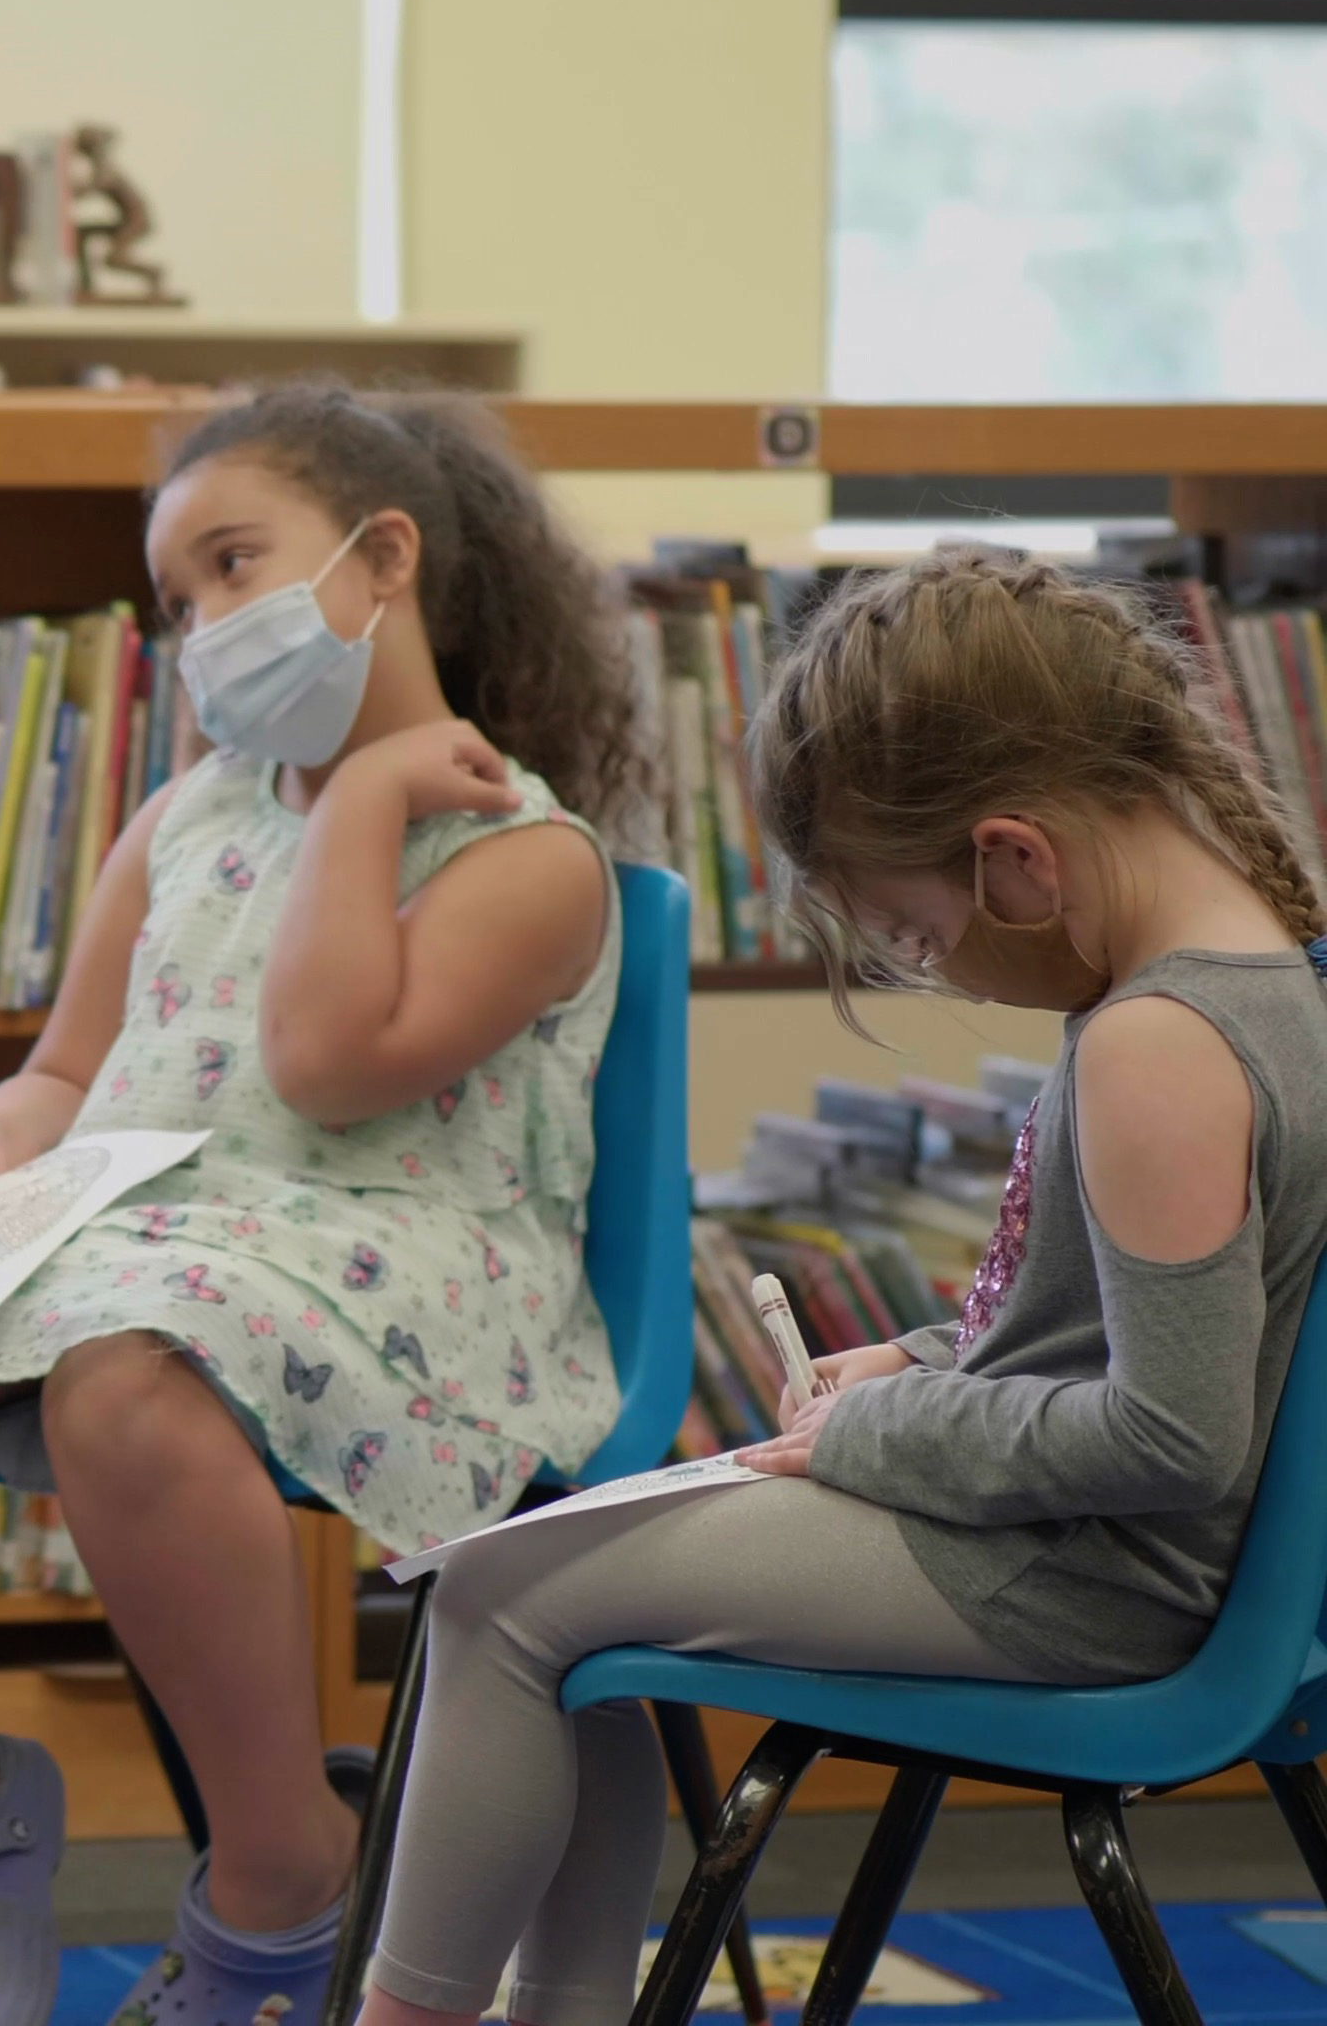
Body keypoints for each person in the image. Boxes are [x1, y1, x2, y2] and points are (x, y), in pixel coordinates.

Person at [0, 382, 653, 2026]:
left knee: (126, 1380)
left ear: (383, 559)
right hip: (156, 1238)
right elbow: (69, 1075)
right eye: (180, 601)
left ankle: (277, 1871)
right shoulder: (184, 819)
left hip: (407, 1274)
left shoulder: (532, 860)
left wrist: (374, 798)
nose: (206, 628)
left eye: (237, 567)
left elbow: (324, 1066)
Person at [358, 553, 1327, 2026]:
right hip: (1082, 1549)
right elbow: (1160, 1332)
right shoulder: (1264, 979)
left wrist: (873, 1434)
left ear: (1017, 858)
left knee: (497, 1596)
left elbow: (1173, 1436)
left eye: (921, 936)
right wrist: (927, 1360)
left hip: (1084, 1583)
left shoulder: (1157, 1046)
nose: (945, 975)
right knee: (543, 1598)